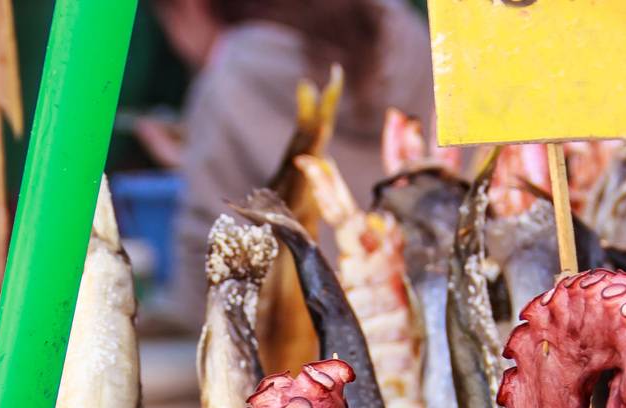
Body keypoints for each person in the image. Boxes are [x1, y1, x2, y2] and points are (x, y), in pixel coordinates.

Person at [144, 0, 435, 321]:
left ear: (190, 7)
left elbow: (210, 256)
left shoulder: (232, 76)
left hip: (306, 350)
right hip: (432, 326)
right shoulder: (413, 35)